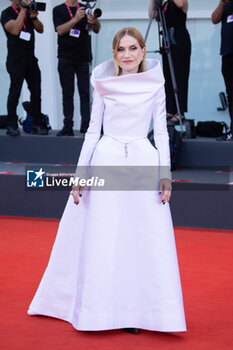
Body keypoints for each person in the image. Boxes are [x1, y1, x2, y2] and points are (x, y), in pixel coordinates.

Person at [27, 27, 186, 335]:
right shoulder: (103, 85)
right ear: (114, 54)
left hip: (142, 161)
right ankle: (98, 309)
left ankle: (138, 311)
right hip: (106, 158)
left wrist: (165, 174)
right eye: (121, 49)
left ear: (142, 51)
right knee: (105, 237)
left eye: (133, 48)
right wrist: (79, 173)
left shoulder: (156, 85)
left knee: (141, 238)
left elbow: (163, 132)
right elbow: (91, 131)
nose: (127, 54)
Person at [53, 0, 101, 136]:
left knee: (85, 93)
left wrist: (94, 20)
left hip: (83, 57)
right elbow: (60, 30)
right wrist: (75, 19)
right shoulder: (58, 10)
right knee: (67, 93)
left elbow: (96, 29)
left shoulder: (85, 8)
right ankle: (68, 125)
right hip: (65, 57)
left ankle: (86, 125)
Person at [1, 0, 48, 136]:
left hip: (30, 59)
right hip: (16, 60)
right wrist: (22, 11)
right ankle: (11, 124)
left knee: (36, 91)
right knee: (15, 92)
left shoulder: (28, 13)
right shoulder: (7, 13)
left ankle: (37, 123)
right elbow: (15, 30)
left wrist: (33, 17)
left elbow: (40, 29)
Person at [149, 0, 191, 124]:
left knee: (180, 74)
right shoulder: (164, 4)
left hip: (179, 37)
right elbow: (152, 14)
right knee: (167, 75)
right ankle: (170, 109)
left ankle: (180, 111)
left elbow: (181, 5)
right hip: (167, 38)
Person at [212, 0, 233, 141]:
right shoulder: (227, 4)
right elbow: (214, 19)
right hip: (227, 54)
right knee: (231, 93)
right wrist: (222, 4)